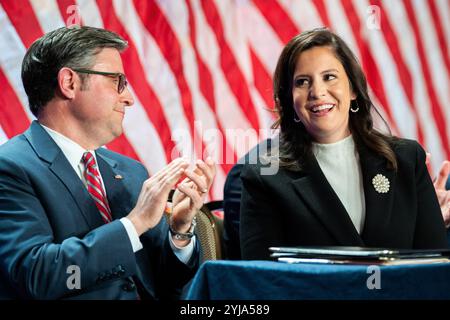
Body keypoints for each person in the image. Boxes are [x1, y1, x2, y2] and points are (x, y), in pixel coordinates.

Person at [0, 26, 216, 299]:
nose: (129, 98)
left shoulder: (130, 172)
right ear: (69, 83)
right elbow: (38, 277)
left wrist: (180, 231)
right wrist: (134, 223)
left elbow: (167, 283)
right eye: (117, 81)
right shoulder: (11, 168)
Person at [239, 28, 448, 260]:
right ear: (289, 100)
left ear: (353, 89)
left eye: (329, 77)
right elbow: (260, 278)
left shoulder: (407, 159)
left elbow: (435, 267)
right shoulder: (265, 176)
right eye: (302, 82)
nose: (317, 92)